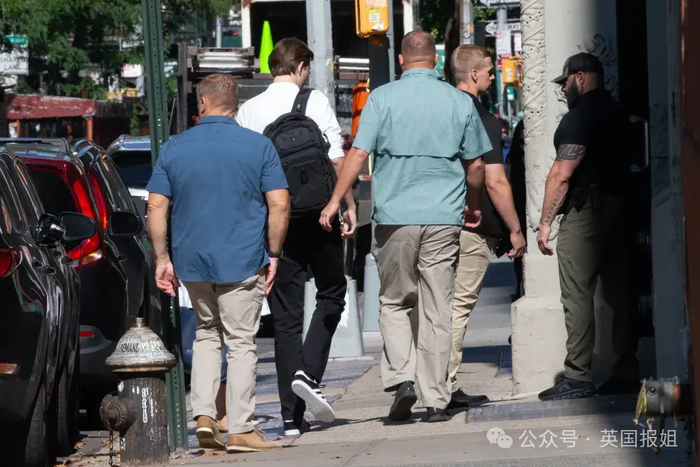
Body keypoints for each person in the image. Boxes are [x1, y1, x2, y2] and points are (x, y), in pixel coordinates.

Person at [320, 30, 491, 423]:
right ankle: (436, 399)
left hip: (395, 217)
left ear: (401, 60)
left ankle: (401, 380)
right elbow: (477, 165)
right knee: (437, 307)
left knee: (395, 301)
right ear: (436, 60)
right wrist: (473, 205)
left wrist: (336, 200)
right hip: (444, 217)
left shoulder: (382, 98)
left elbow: (358, 153)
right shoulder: (458, 100)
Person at [146, 73, 290, 452]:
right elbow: (279, 203)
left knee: (207, 333)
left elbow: (156, 206)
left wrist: (162, 258)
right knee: (241, 341)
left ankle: (204, 416)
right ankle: (240, 427)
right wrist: (274, 253)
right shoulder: (258, 146)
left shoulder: (174, 148)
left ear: (202, 104)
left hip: (192, 261)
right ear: (235, 106)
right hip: (243, 258)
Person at [237, 37, 357, 436]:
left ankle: (291, 419)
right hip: (319, 216)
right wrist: (346, 204)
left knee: (285, 318)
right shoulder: (314, 101)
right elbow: (336, 158)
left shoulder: (249, 110)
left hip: (277, 222)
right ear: (302, 67)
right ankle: (308, 371)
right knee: (332, 293)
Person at [536, 53, 639, 401]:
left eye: (565, 82)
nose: (563, 89)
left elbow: (561, 174)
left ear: (580, 78)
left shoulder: (579, 117)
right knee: (620, 292)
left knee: (577, 293)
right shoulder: (618, 111)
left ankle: (578, 375)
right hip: (621, 208)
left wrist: (545, 223)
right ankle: (627, 368)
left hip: (586, 213)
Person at [446, 45, 526, 409]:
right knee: (458, 307)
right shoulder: (483, 120)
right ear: (474, 74)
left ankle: (416, 381)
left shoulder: (437, 112)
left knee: (429, 306)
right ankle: (445, 385)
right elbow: (494, 180)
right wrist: (514, 229)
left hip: (430, 220)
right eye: (490, 71)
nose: (494, 77)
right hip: (470, 226)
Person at [508, 120, 526, 301]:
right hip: (519, 209)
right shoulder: (514, 161)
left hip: (522, 207)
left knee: (520, 257)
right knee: (520, 258)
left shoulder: (513, 159)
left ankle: (520, 289)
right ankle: (520, 288)